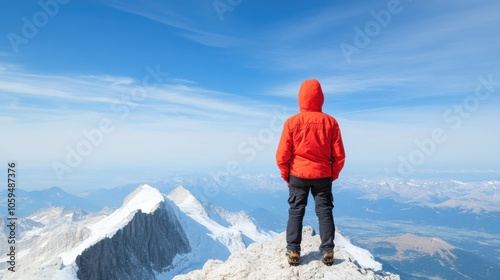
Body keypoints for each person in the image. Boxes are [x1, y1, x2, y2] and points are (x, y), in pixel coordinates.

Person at [276, 79, 345, 266]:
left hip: (298, 174)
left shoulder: (292, 122)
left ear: (301, 98)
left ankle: (293, 251)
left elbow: (282, 154)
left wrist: (286, 175)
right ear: (321, 98)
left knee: (296, 211)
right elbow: (339, 155)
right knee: (324, 212)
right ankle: (328, 250)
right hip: (323, 174)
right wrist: (332, 174)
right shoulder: (331, 122)